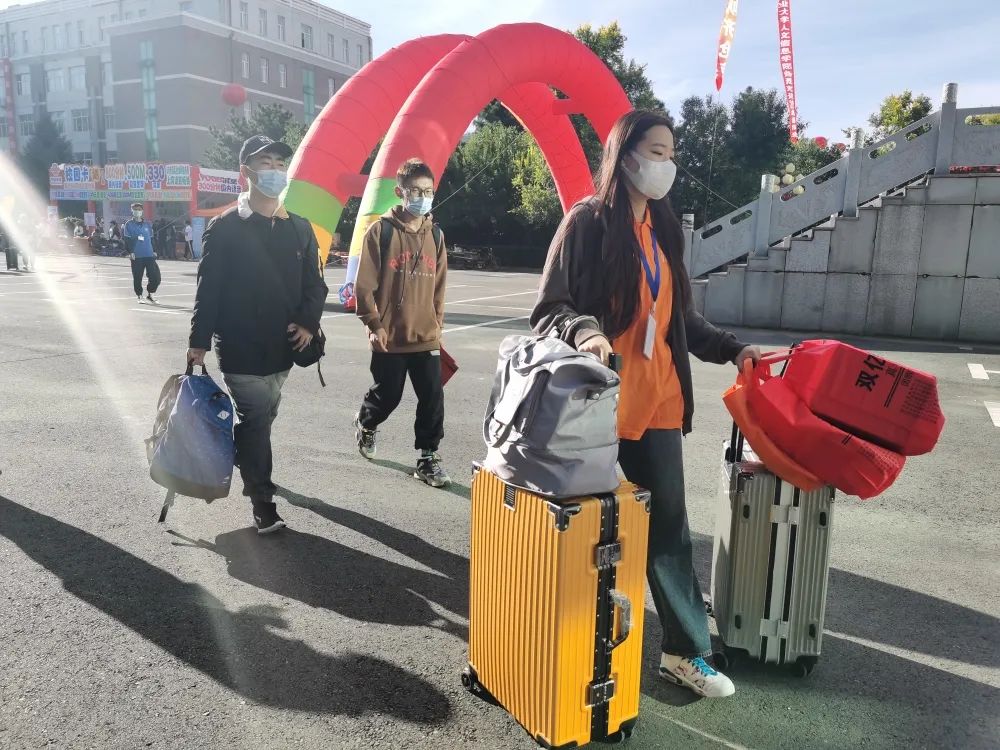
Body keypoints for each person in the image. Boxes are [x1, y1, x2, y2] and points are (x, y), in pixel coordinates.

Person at [531, 110, 761, 699]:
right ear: (624, 155)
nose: (666, 164)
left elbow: (679, 319)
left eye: (671, 154)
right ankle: (566, 650)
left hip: (657, 404)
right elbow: (551, 307)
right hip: (595, 408)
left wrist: (732, 349)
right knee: (586, 532)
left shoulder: (662, 229)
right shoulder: (587, 223)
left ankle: (684, 652)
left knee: (668, 532)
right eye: (656, 152)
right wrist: (586, 332)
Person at [187, 135, 328, 534]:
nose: (275, 171)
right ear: (245, 171)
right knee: (256, 417)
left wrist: (307, 322)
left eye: (281, 164)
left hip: (284, 348)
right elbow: (209, 289)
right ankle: (262, 502)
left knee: (263, 418)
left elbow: (315, 285)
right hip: (240, 347)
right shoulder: (225, 227)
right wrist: (198, 342)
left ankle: (245, 453)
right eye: (266, 163)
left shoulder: (299, 228)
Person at [353, 158, 450, 488]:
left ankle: (428, 457)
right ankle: (366, 422)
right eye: (415, 191)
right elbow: (364, 286)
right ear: (400, 192)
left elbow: (439, 287)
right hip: (390, 336)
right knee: (388, 396)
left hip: (426, 335)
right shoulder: (380, 232)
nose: (422, 197)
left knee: (432, 398)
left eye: (428, 191)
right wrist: (374, 324)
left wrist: (437, 324)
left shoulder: (436, 235)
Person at [122, 203, 161, 303]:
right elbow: (127, 239)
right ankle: (139, 295)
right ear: (132, 211)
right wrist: (130, 252)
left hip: (149, 254)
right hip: (137, 255)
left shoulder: (147, 224)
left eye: (139, 209)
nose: (137, 211)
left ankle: (150, 293)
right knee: (137, 277)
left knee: (155, 277)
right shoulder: (128, 224)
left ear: (142, 211)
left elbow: (152, 238)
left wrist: (154, 250)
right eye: (135, 209)